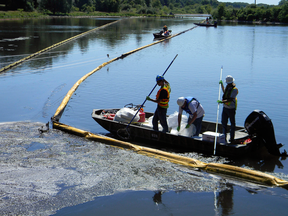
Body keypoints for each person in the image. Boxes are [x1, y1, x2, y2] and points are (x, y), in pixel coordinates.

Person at [218, 75, 238, 144]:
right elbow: (225, 93)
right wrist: (221, 85)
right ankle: (224, 137)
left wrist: (222, 102)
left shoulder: (234, 89)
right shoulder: (227, 87)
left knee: (232, 124)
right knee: (224, 123)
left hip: (231, 109)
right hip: (225, 108)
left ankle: (231, 138)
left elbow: (230, 99)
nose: (227, 84)